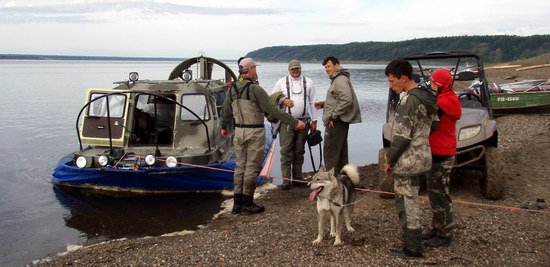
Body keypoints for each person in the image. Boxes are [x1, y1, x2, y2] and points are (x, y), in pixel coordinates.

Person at [220, 58, 306, 215]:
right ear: (251, 69)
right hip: (254, 132)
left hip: (239, 132)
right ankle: (248, 203)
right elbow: (273, 110)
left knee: (240, 167)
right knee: (252, 168)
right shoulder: (255, 89)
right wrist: (294, 122)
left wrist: (224, 127)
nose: (256, 71)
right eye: (255, 69)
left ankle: (236, 205)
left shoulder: (232, 89)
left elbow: (225, 112)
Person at [383, 59, 437, 258]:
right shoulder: (426, 97)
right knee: (412, 200)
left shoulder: (407, 101)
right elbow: (435, 125)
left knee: (407, 204)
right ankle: (414, 243)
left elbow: (402, 137)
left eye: (392, 81)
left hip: (408, 162)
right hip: (423, 157)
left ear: (403, 78)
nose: (390, 85)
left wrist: (389, 159)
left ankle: (412, 249)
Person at [424, 69, 462, 247]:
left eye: (433, 84)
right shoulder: (446, 98)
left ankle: (445, 233)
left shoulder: (446, 102)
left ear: (440, 86)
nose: (431, 86)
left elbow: (429, 116)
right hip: (437, 150)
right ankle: (437, 227)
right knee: (434, 192)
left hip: (442, 152)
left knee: (440, 193)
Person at [271, 59, 318, 190]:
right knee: (286, 151)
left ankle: (297, 178)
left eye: (297, 68)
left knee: (299, 151)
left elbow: (313, 102)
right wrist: (283, 99)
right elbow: (271, 98)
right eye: (293, 69)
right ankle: (286, 180)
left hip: (304, 122)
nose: (295, 71)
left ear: (301, 68)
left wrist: (314, 121)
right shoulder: (281, 82)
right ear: (288, 69)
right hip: (286, 122)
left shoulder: (309, 82)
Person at [314, 56, 361, 175]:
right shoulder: (339, 79)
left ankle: (332, 183)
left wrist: (334, 116)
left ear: (336, 65)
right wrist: (324, 104)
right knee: (340, 153)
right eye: (325, 67)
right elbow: (338, 99)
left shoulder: (340, 79)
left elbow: (347, 100)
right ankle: (343, 181)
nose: (327, 69)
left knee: (331, 152)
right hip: (339, 121)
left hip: (336, 121)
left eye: (329, 66)